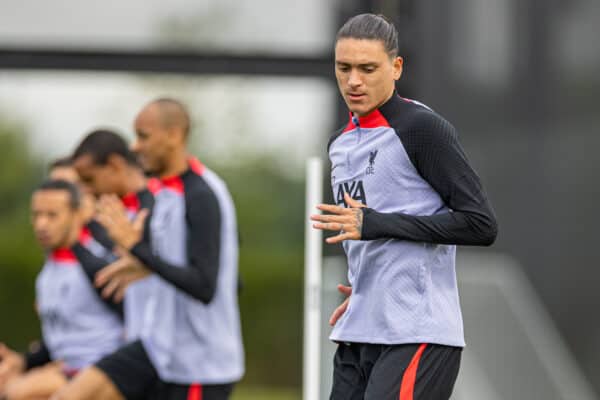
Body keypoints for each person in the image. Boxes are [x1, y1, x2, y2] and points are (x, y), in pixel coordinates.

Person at [311, 13, 498, 400]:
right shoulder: (339, 144)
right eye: (343, 68)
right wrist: (369, 282)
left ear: (396, 67)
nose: (353, 81)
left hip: (416, 332)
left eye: (367, 68)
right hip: (358, 329)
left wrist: (375, 223)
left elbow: (480, 225)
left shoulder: (421, 129)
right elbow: (370, 231)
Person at [53, 100, 244, 400]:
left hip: (200, 365)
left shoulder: (203, 193)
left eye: (143, 136)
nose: (136, 147)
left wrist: (137, 250)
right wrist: (141, 265)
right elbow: (173, 263)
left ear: (174, 135)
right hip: (165, 355)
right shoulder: (165, 191)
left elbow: (206, 286)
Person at [0, 180, 125, 400]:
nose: (41, 224)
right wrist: (23, 361)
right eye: (36, 215)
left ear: (77, 214)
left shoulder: (98, 265)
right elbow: (63, 339)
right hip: (68, 370)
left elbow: (137, 324)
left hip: (104, 373)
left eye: (52, 215)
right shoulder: (49, 270)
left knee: (17, 393)